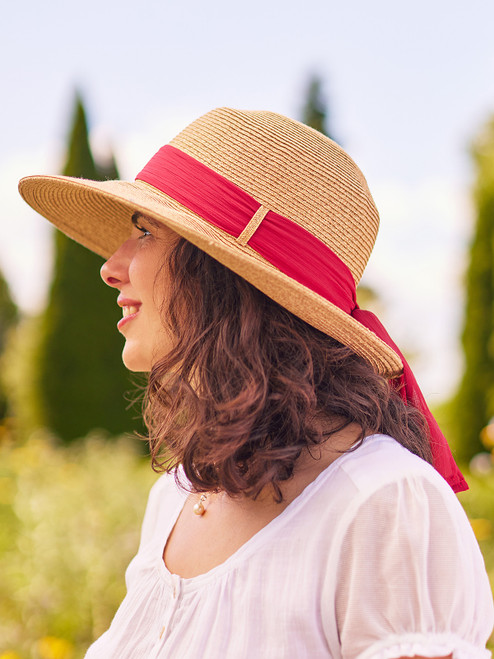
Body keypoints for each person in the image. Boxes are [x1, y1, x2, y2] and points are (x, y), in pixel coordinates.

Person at [19, 107, 493, 658]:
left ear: (225, 274)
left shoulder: (384, 502)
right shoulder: (175, 498)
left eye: (146, 232)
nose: (111, 266)